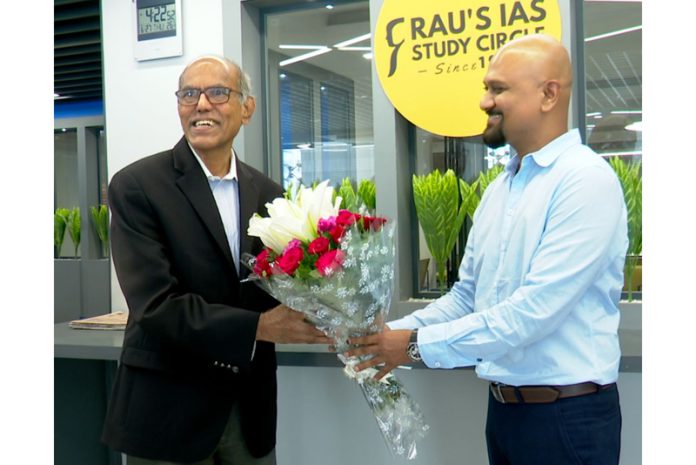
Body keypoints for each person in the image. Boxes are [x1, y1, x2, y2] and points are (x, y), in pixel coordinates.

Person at [347, 35, 627, 465]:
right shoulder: (502, 187)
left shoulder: (584, 181)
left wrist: (411, 345)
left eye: (498, 89)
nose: (484, 102)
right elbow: (466, 297)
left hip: (567, 419)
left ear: (548, 95)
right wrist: (383, 336)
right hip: (504, 414)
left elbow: (530, 314)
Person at [102, 56, 329, 465]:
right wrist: (259, 327)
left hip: (250, 413)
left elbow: (280, 285)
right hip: (168, 413)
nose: (201, 104)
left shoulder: (271, 193)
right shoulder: (136, 186)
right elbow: (155, 306)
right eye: (189, 94)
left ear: (247, 108)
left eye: (217, 92)